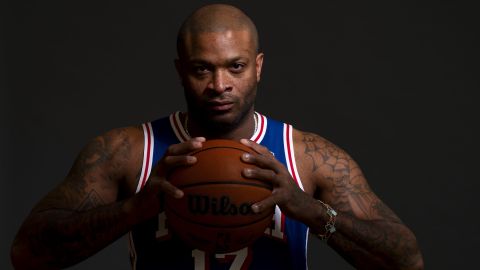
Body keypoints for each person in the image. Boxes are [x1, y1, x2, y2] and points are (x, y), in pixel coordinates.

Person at [11, 4, 424, 270]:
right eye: (202, 68)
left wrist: (307, 208)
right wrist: (134, 209)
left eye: (236, 67)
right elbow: (27, 253)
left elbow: (407, 261)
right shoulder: (130, 152)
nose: (219, 84)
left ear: (258, 67)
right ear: (180, 71)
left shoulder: (308, 157)